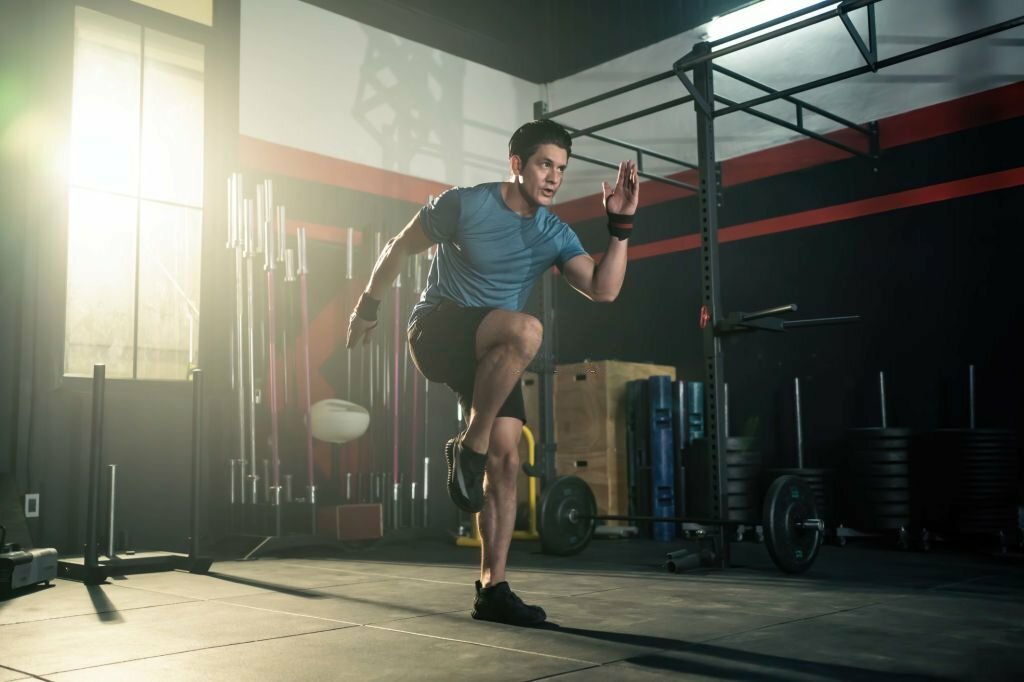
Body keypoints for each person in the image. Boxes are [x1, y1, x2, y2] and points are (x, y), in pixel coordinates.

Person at [346, 119, 638, 626]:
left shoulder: (552, 231)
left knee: (507, 457)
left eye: (561, 170)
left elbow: (604, 289)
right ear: (517, 164)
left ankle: (492, 587)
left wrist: (620, 227)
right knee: (527, 332)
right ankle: (469, 449)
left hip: (491, 356)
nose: (553, 178)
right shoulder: (464, 204)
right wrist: (367, 307)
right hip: (436, 331)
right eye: (545, 164)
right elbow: (397, 247)